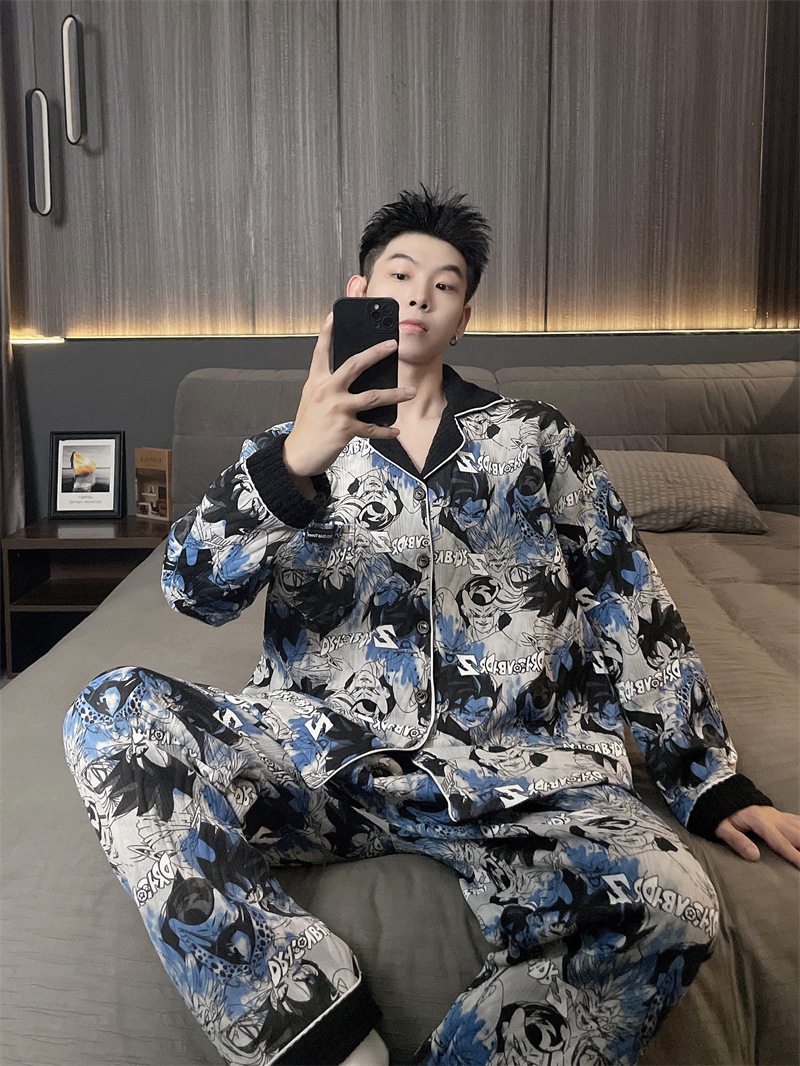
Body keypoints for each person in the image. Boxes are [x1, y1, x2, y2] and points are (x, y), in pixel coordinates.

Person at [64, 187, 800, 1066]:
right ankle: (318, 1038)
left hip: (518, 773)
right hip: (323, 762)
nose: (418, 294)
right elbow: (192, 589)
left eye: (444, 285)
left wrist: (705, 776)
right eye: (400, 276)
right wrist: (295, 462)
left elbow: (626, 599)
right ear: (359, 292)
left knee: (675, 899)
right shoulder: (287, 445)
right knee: (111, 712)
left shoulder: (537, 438)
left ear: (463, 318)